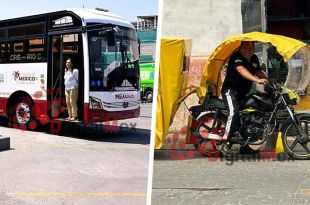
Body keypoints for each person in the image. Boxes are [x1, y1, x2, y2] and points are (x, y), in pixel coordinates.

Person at [221, 41, 268, 154]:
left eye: (251, 46)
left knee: (247, 117)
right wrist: (257, 80)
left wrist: (269, 81)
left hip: (244, 93)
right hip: (230, 91)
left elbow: (258, 72)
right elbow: (241, 70)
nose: (249, 48)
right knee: (234, 113)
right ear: (241, 47)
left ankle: (244, 145)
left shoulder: (254, 58)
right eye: (246, 46)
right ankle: (225, 144)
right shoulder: (236, 56)